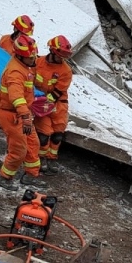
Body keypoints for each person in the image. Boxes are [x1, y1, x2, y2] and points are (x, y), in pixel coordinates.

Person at [0, 34, 45, 190]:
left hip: (21, 115)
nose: (33, 59)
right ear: (21, 57)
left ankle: (31, 175)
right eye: (31, 57)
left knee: (33, 143)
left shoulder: (25, 67)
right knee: (18, 150)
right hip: (12, 116)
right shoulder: (15, 72)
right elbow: (16, 98)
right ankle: (4, 176)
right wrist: (26, 116)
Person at [33, 35, 73, 175]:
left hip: (58, 104)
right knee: (43, 134)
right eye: (60, 56)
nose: (61, 59)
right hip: (41, 102)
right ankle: (42, 157)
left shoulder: (66, 71)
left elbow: (58, 91)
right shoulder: (37, 63)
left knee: (57, 135)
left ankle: (52, 158)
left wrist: (46, 102)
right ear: (52, 51)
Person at [0, 15, 36, 130]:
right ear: (15, 29)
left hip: (18, 79)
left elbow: (31, 67)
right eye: (23, 33)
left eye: (27, 34)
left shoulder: (29, 47)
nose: (25, 36)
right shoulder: (4, 40)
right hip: (2, 75)